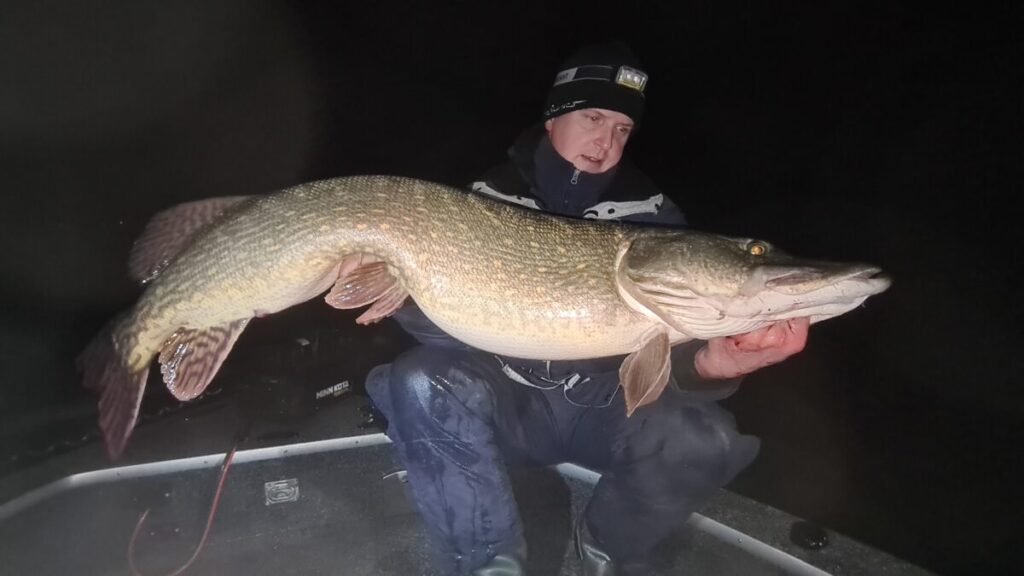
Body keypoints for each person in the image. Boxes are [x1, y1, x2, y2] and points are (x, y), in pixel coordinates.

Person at [366, 42, 809, 575]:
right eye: (593, 118)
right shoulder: (480, 202)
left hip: (603, 409)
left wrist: (716, 366)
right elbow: (446, 331)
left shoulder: (657, 222)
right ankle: (486, 565)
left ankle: (605, 555)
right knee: (420, 381)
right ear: (553, 118)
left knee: (703, 437)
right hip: (509, 403)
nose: (606, 141)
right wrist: (395, 292)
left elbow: (672, 361)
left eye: (622, 128)